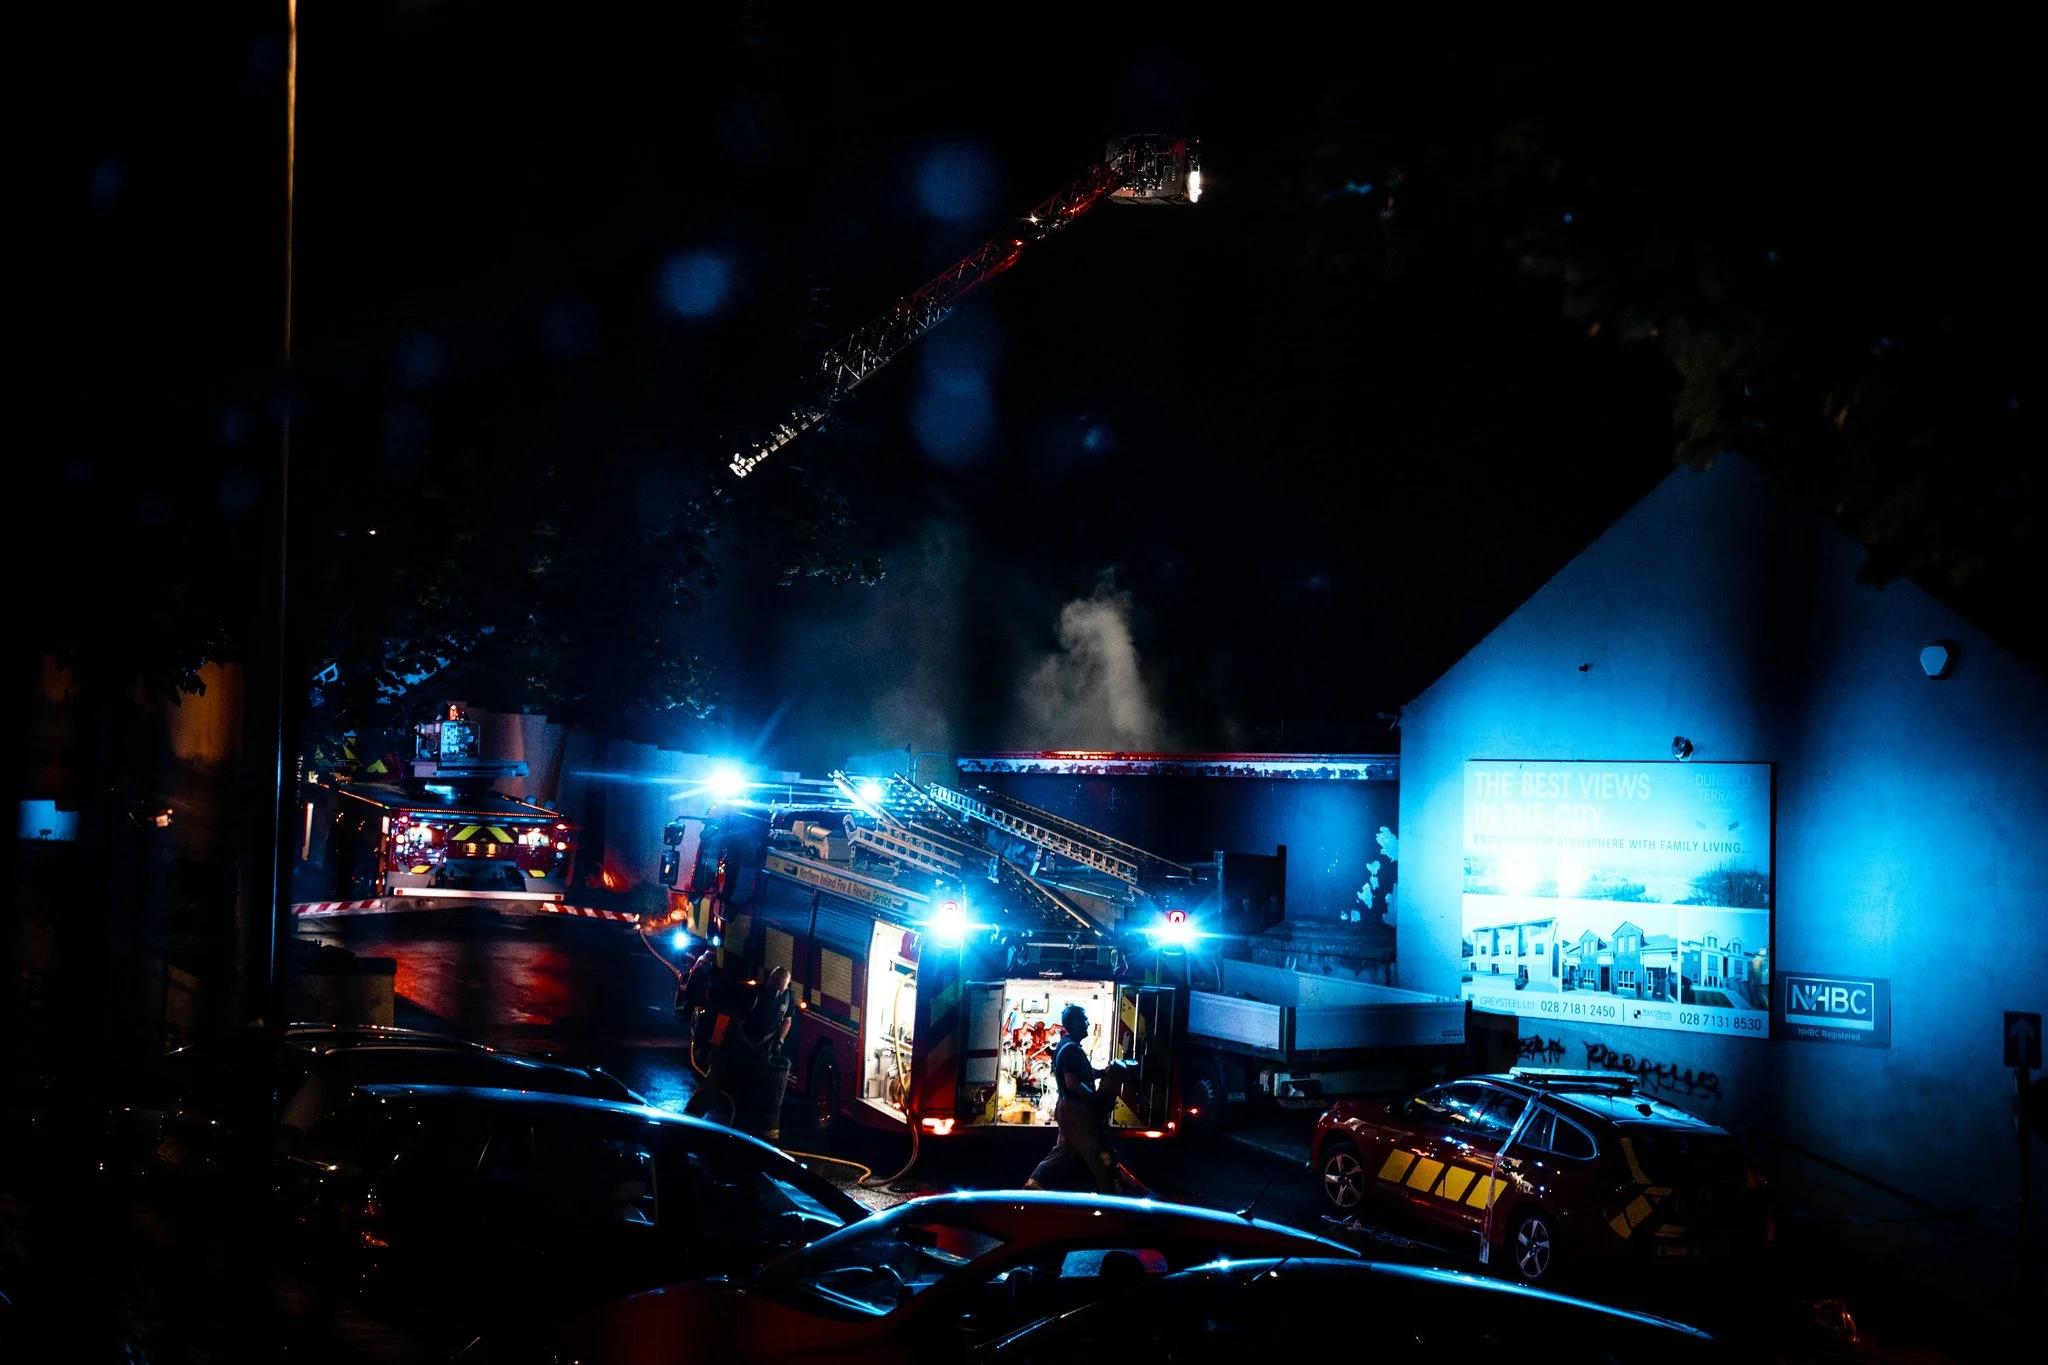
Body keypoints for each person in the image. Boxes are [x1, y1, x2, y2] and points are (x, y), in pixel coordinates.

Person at [1025, 1004, 1128, 1193]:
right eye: (1084, 1020)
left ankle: (1031, 1190)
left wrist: (1101, 1073)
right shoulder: (1072, 1050)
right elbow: (1072, 1082)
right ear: (1075, 1024)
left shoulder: (1066, 1045)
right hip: (1075, 1112)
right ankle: (1113, 1198)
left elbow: (1078, 1074)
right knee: (1098, 1154)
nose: (1088, 1023)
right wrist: (1094, 1098)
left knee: (1062, 1154)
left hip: (1068, 1109)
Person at [684, 964, 796, 1121]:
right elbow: (736, 1025)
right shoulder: (753, 996)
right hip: (732, 1048)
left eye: (780, 989)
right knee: (712, 1084)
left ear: (785, 987)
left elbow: (787, 1021)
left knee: (749, 1096)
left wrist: (779, 1040)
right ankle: (689, 1117)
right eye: (774, 987)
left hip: (758, 1052)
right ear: (769, 981)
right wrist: (748, 1045)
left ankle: (741, 1127)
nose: (776, 993)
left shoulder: (788, 998)